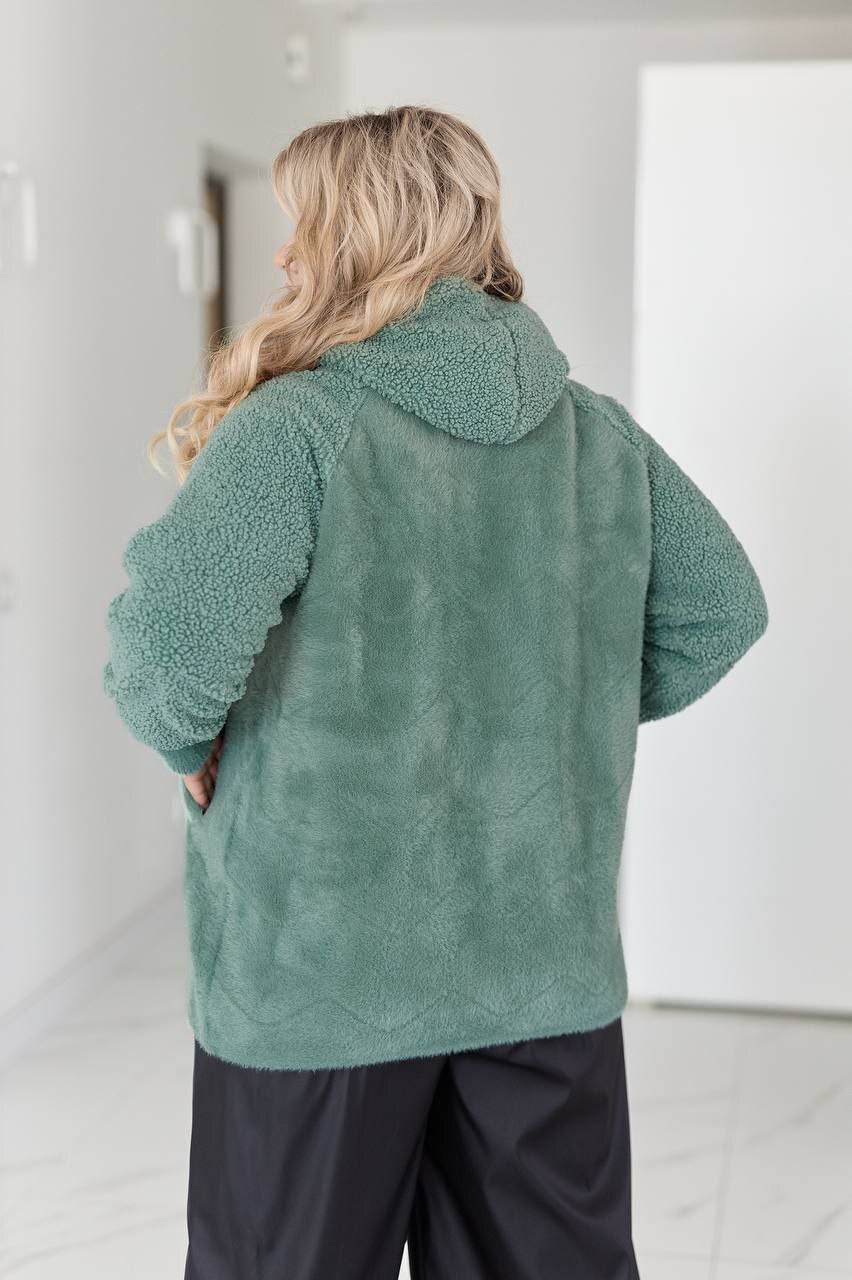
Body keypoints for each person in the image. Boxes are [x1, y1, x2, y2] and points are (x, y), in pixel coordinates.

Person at [102, 105, 769, 1280]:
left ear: (365, 233)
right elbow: (721, 608)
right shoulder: (597, 435)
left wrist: (191, 740)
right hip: (539, 974)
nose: (282, 252)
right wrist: (548, 711)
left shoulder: (300, 428)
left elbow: (163, 658)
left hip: (319, 987)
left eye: (304, 222)